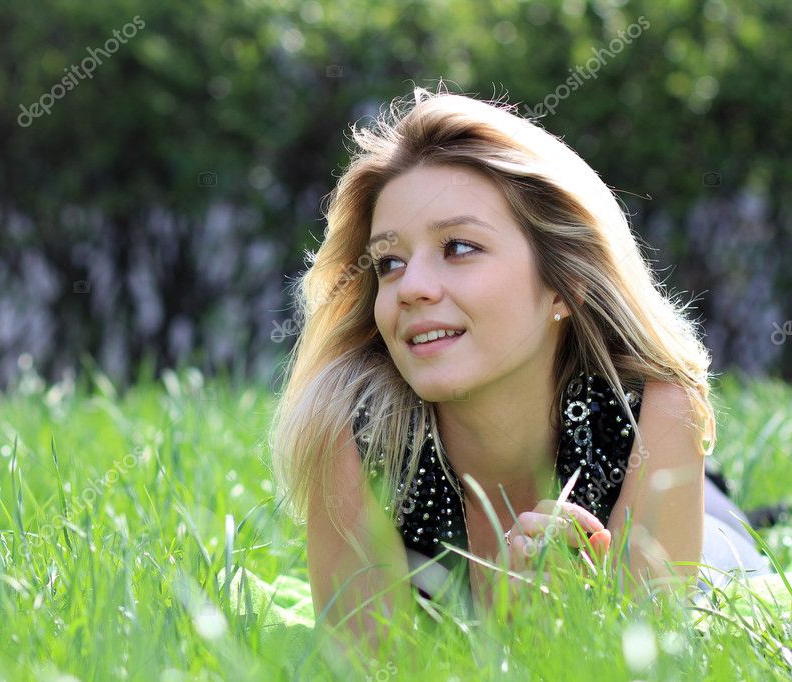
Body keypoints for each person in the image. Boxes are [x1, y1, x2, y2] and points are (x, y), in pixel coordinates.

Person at [267, 85, 777, 646]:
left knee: (730, 541)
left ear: (565, 283)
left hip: (712, 540)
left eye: (459, 247)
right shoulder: (348, 430)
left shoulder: (657, 407)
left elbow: (651, 653)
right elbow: (364, 662)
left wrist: (570, 623)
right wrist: (503, 618)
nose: (410, 287)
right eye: (389, 261)